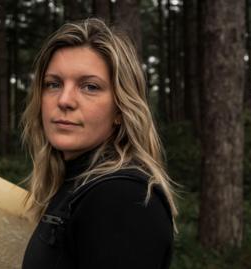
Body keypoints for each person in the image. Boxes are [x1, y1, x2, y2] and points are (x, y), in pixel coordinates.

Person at [20, 18, 178, 269]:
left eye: (90, 86)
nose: (64, 100)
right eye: (53, 84)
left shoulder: (122, 199)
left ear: (120, 109)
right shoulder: (79, 186)